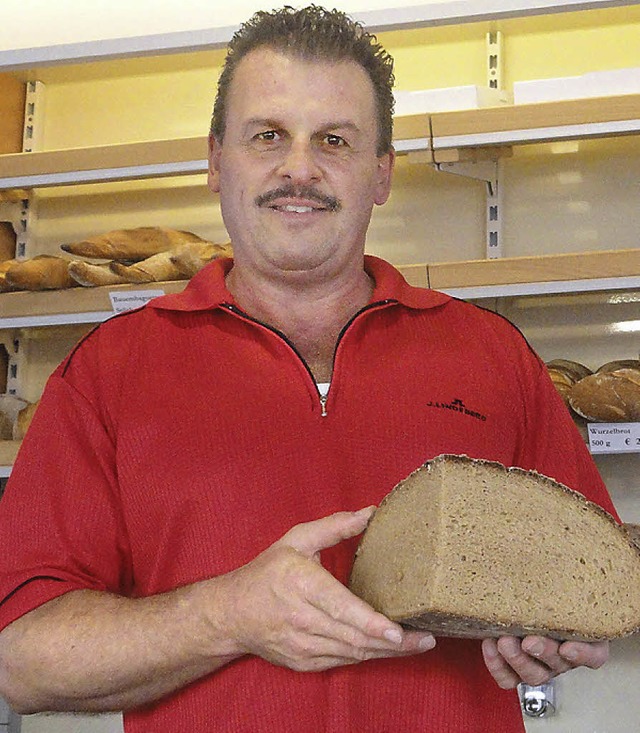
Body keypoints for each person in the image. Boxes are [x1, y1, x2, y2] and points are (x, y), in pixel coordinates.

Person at [0, 6, 613, 732]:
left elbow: (588, 584)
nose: (299, 167)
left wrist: (555, 634)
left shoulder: (491, 354)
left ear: (381, 172)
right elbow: (22, 658)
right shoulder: (108, 374)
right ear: (216, 159)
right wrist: (229, 614)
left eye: (334, 140)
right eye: (268, 136)